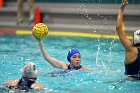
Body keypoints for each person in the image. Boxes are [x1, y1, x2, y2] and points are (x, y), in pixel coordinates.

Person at [116, 0, 140, 80]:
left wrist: (122, 8)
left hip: (129, 82)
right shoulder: (132, 50)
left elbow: (118, 28)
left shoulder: (131, 50)